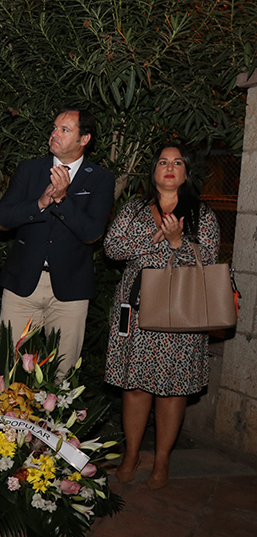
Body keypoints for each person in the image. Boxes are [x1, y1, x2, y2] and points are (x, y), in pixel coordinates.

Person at [104, 144, 219, 490]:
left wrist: (176, 243)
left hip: (181, 312)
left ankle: (163, 458)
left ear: (185, 172)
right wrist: (153, 240)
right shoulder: (135, 209)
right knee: (134, 386)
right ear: (154, 172)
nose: (170, 167)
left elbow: (209, 259)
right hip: (136, 308)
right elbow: (112, 246)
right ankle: (132, 454)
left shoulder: (202, 214)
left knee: (172, 390)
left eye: (178, 162)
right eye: (163, 162)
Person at [0, 108, 114, 375]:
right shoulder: (30, 169)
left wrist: (62, 199)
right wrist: (39, 203)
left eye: (64, 130)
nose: (54, 134)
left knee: (61, 374)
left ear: (84, 139)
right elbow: (1, 219)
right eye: (54, 127)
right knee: (8, 368)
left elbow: (92, 233)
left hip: (70, 289)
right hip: (22, 284)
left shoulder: (100, 178)